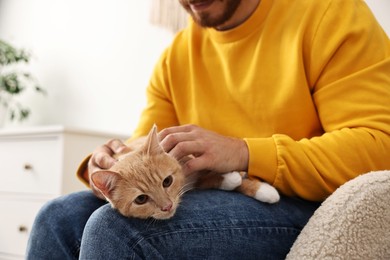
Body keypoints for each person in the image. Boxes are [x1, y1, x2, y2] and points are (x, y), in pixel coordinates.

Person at [27, 0, 390, 259]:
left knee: (119, 231)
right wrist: (109, 161)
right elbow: (144, 145)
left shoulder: (329, 13)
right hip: (204, 195)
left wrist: (244, 152)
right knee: (56, 217)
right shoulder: (177, 56)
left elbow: (380, 146)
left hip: (298, 201)